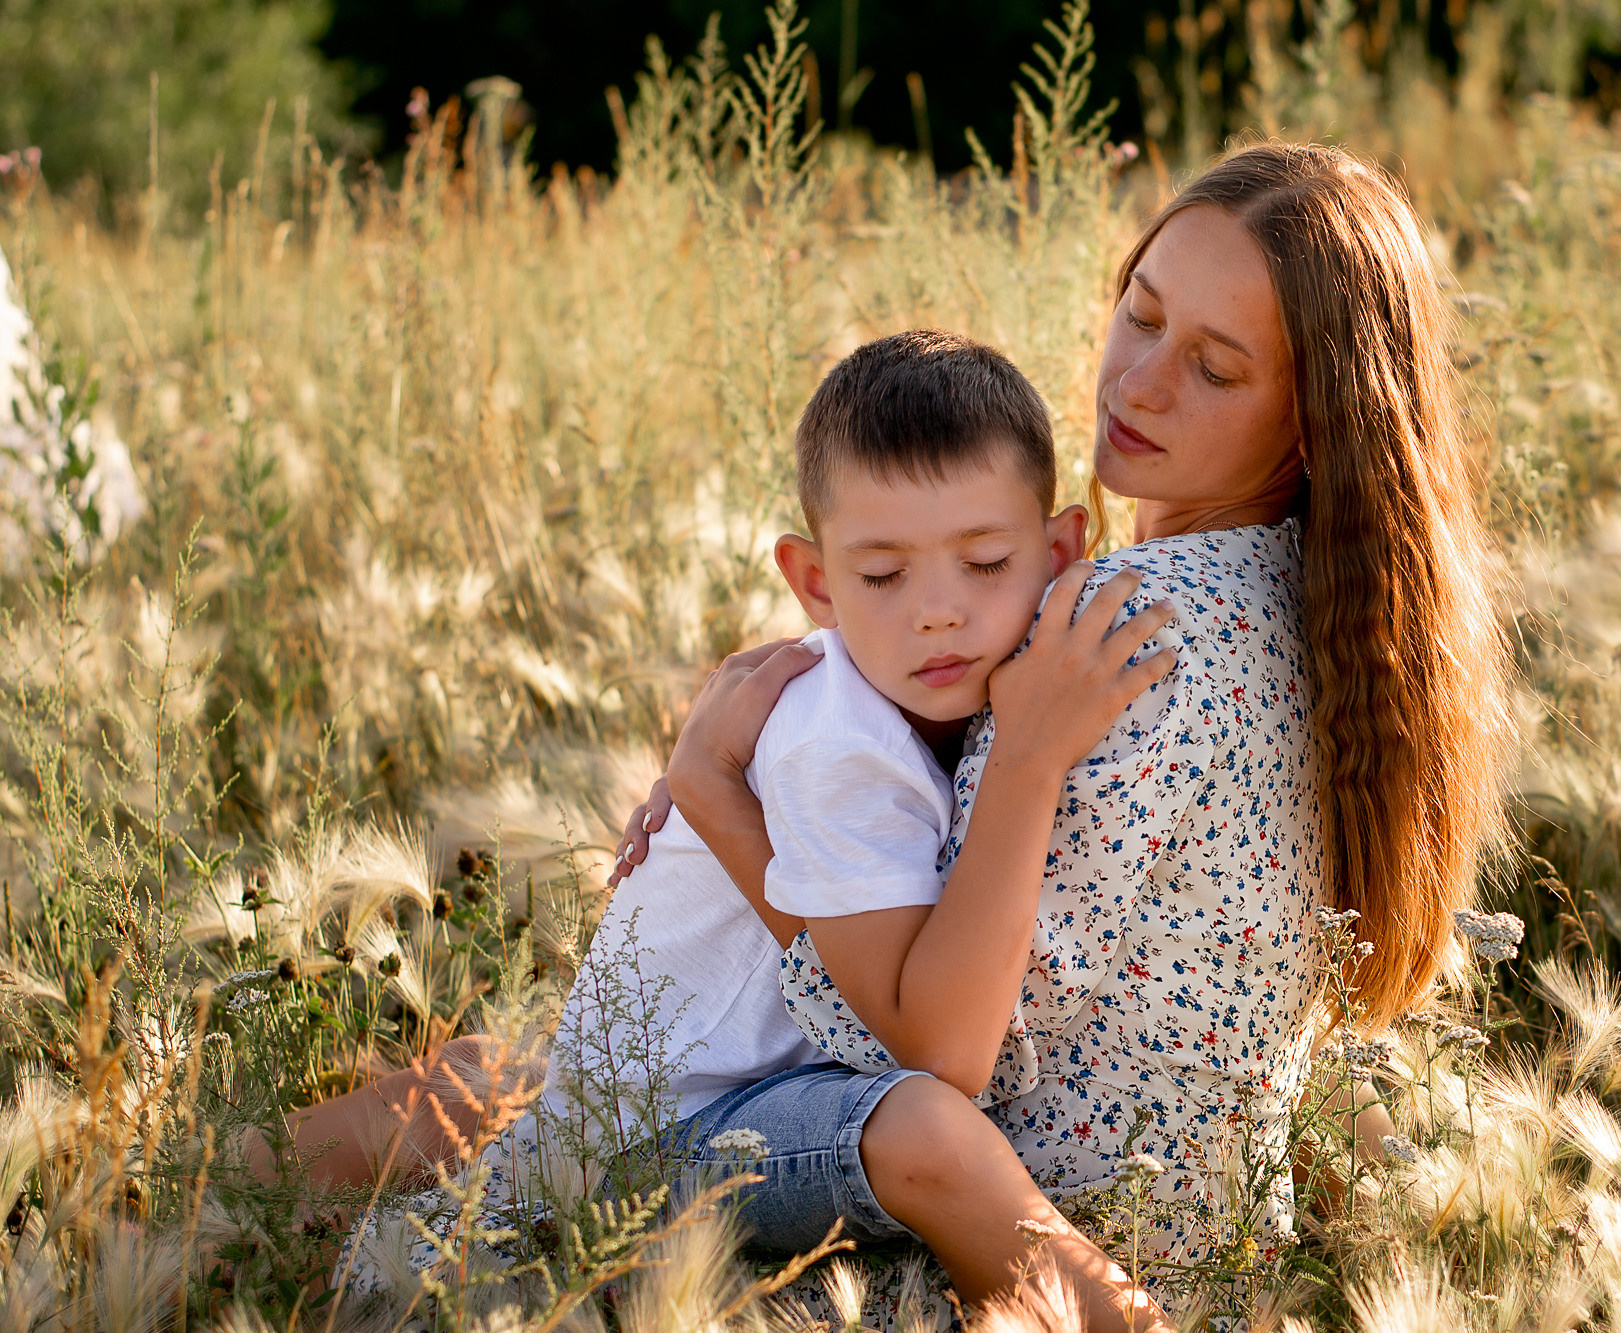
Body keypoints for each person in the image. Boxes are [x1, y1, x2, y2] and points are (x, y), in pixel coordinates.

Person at [615, 142, 1510, 1273]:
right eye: (1139, 316)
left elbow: (925, 1053)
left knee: (540, 1137)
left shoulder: (1123, 627)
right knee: (461, 1090)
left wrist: (719, 798)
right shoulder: (1322, 609)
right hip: (1206, 1246)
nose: (1135, 384)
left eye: (1215, 370)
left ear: (1310, 421)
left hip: (1031, 1236)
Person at [265, 329, 1177, 1333]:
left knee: (494, 1078)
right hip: (659, 1136)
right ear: (815, 582)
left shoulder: (916, 696)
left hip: (673, 1085)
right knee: (924, 1129)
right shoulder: (839, 746)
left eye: (985, 562)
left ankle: (244, 1181)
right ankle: (1125, 1323)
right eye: (881, 577)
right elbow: (942, 1056)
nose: (937, 614)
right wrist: (1027, 762)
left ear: (1058, 554)